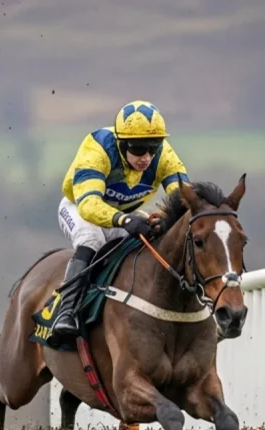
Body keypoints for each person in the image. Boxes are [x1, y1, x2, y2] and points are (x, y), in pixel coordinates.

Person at [46, 100, 191, 347]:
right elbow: (89, 205)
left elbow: (184, 198)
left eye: (153, 147)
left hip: (123, 214)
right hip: (80, 207)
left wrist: (166, 218)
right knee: (92, 239)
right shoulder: (98, 148)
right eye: (138, 149)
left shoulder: (164, 155)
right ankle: (66, 312)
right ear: (122, 144)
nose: (146, 157)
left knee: (156, 238)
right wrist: (123, 220)